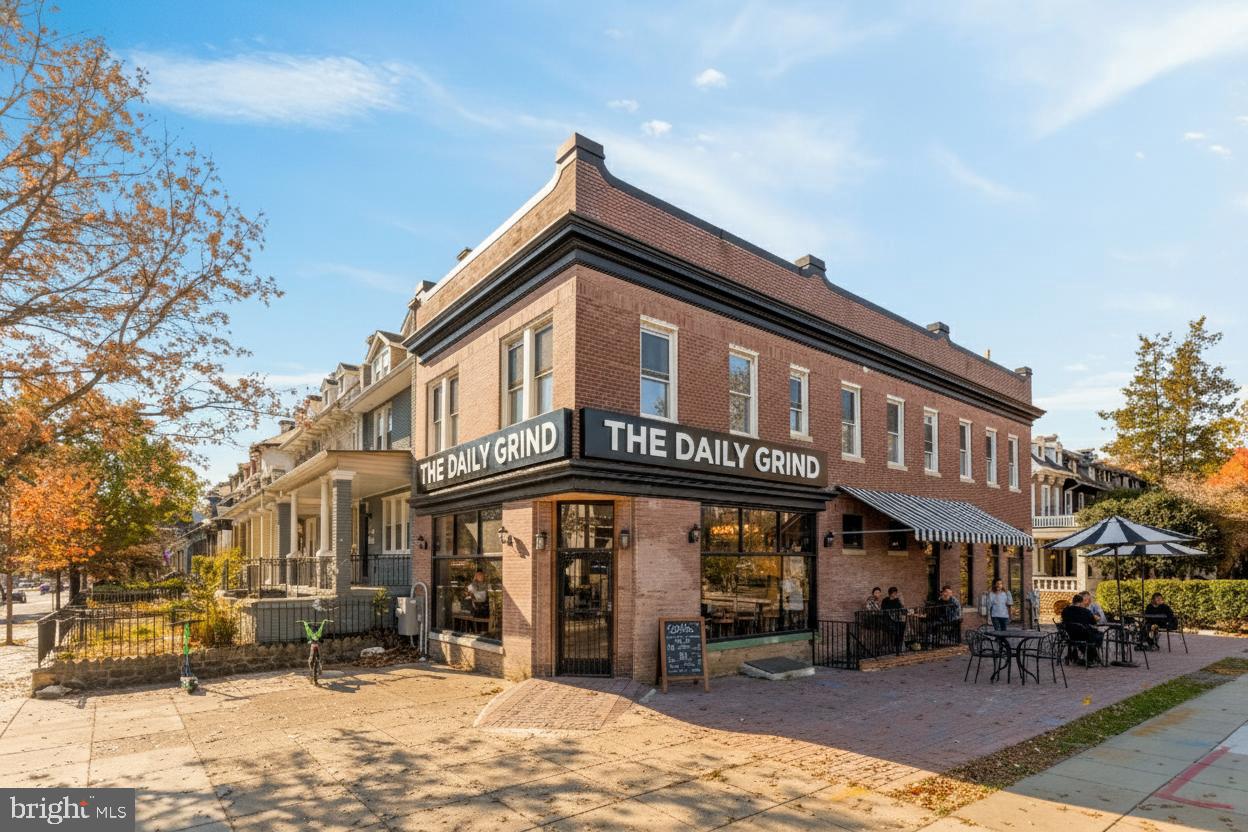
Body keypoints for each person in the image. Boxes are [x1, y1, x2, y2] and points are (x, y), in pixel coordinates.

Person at [1060, 592, 1103, 663]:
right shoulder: (1086, 611)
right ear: (1080, 603)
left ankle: (1091, 657)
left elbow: (1063, 621)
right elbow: (1093, 623)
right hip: (1084, 636)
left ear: (1073, 601)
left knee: (1085, 635)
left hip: (1070, 636)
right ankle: (1093, 657)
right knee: (1096, 635)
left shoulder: (1065, 610)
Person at [880, 586, 906, 652]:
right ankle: (895, 646)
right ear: (890, 593)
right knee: (895, 630)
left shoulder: (897, 600)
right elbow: (884, 609)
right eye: (893, 593)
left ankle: (898, 645)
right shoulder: (885, 600)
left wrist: (901, 601)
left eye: (895, 593)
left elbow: (901, 608)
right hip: (887, 619)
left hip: (896, 619)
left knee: (902, 626)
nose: (894, 594)